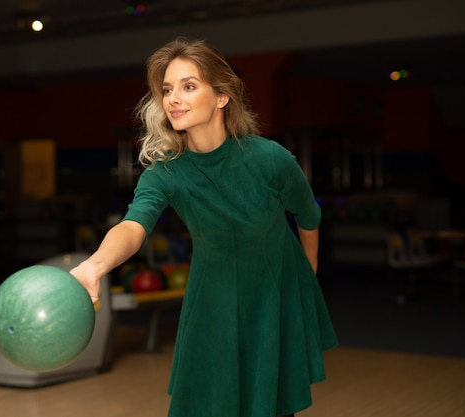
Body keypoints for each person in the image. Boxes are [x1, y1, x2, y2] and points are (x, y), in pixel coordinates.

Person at [70, 36, 338, 417]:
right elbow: (134, 225)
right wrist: (97, 264)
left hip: (271, 295)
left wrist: (308, 270)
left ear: (222, 96)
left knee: (270, 406)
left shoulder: (270, 160)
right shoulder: (166, 173)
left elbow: (308, 215)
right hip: (212, 299)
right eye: (167, 89)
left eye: (189, 86)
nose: (173, 98)